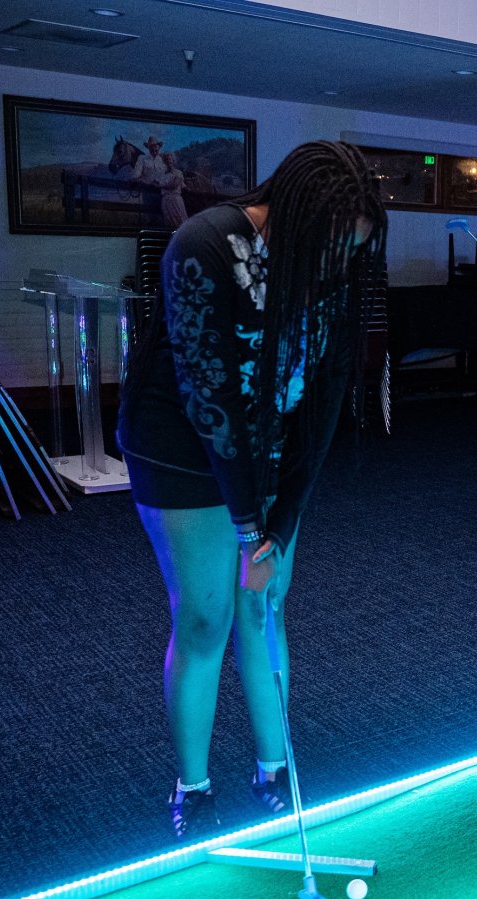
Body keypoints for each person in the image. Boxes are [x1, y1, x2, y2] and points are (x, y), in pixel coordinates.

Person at [115, 141, 388, 839]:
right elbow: (211, 399)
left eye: (352, 251)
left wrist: (282, 518)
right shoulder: (204, 244)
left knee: (262, 605)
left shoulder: (335, 267)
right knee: (207, 616)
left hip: (268, 443)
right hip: (181, 444)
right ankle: (194, 785)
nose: (338, 264)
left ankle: (274, 767)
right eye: (333, 245)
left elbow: (322, 403)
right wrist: (247, 529)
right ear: (295, 214)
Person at [158, 152, 189, 228]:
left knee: (180, 220)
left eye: (169, 159)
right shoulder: (162, 175)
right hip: (165, 200)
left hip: (175, 199)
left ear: (173, 160)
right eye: (165, 160)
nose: (168, 161)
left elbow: (174, 185)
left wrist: (160, 186)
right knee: (168, 222)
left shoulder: (178, 173)